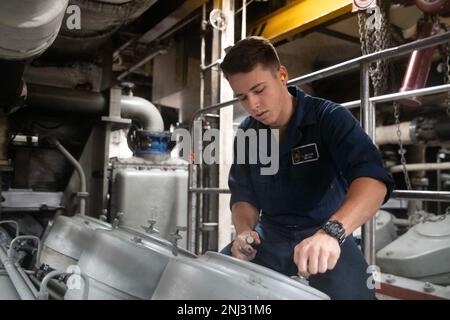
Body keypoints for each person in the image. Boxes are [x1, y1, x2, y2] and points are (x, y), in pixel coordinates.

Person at [219, 36, 394, 300]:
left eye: (259, 90)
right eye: (242, 97)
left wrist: (332, 232)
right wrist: (244, 232)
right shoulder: (248, 134)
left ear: (282, 75)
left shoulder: (329, 118)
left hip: (326, 235)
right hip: (269, 237)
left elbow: (373, 181)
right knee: (211, 283)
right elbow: (244, 195)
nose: (252, 105)